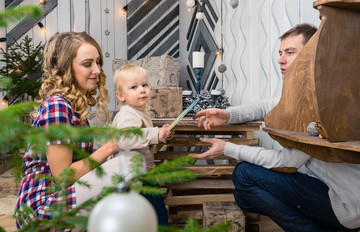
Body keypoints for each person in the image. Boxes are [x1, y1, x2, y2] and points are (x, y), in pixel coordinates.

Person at [192, 23, 360, 231]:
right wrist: (227, 114)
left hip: (347, 205)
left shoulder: (320, 102)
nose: (280, 60)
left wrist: (228, 149)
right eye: (280, 53)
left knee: (243, 174)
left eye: (290, 53)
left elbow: (286, 162)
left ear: (312, 56)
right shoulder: (308, 89)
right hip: (323, 186)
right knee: (243, 196)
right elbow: (267, 105)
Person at [15, 32, 126, 230]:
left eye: (98, 62)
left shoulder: (73, 107)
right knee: (126, 168)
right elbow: (63, 176)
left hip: (62, 196)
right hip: (42, 206)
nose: (97, 70)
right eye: (87, 64)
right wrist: (110, 147)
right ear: (67, 67)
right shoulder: (57, 106)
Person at [112, 64, 174, 225]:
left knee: (146, 214)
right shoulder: (127, 114)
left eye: (145, 85)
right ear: (120, 96)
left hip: (141, 173)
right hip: (134, 176)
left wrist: (161, 134)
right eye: (134, 87)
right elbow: (126, 138)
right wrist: (155, 133)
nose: (142, 90)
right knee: (158, 214)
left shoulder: (138, 112)